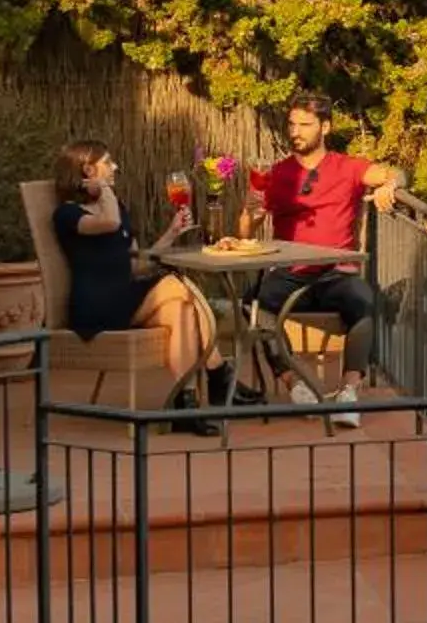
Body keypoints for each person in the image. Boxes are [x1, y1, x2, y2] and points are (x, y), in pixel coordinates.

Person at [51, 141, 231, 431]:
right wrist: (103, 190)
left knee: (180, 308)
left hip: (124, 298)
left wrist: (171, 233)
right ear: (88, 169)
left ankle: (185, 407)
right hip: (95, 307)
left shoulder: (116, 207)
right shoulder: (68, 215)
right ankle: (218, 371)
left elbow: (137, 264)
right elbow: (108, 223)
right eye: (108, 162)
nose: (116, 167)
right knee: (174, 284)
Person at [253, 90, 400, 422]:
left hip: (336, 272)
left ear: (325, 127)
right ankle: (295, 385)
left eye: (305, 125)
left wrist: (391, 186)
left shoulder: (347, 168)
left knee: (363, 301)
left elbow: (395, 173)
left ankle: (348, 393)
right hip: (290, 273)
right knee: (255, 307)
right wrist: (251, 216)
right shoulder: (277, 174)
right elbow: (246, 230)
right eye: (292, 124)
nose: (295, 132)